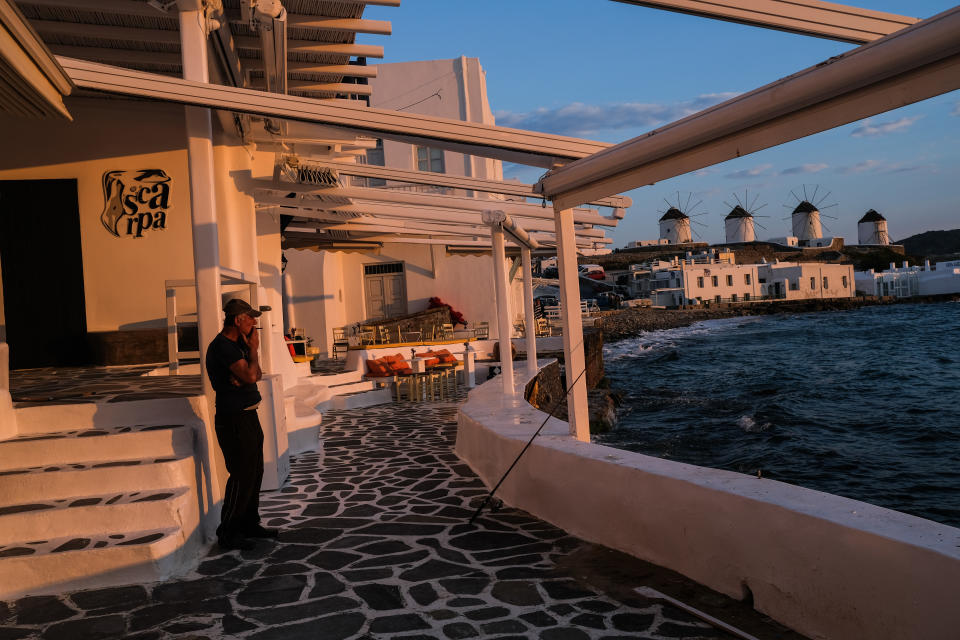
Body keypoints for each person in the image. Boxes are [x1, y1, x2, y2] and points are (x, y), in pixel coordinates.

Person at [205, 298, 277, 550]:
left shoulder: (238, 345)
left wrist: (250, 370)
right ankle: (228, 532)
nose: (255, 323)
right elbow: (250, 375)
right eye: (251, 318)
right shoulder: (224, 347)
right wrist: (253, 354)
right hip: (233, 418)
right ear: (238, 320)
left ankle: (248, 524)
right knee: (241, 474)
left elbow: (257, 374)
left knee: (255, 472)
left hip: (248, 414)